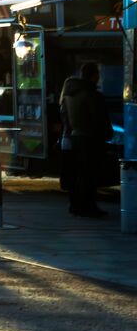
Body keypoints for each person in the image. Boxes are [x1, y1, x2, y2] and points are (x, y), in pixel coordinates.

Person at [61, 62, 114, 217]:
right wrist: (107, 134)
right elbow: (99, 118)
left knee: (78, 174)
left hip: (76, 138)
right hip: (90, 139)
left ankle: (76, 205)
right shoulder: (92, 94)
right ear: (93, 75)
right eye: (97, 74)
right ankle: (89, 206)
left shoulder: (70, 94)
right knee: (89, 175)